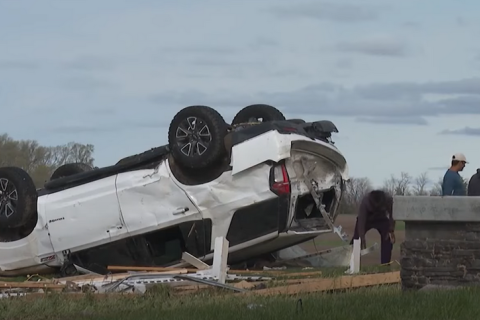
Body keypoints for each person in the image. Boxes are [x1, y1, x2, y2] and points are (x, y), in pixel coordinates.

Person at [350, 190, 395, 265]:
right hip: (367, 218)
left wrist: (391, 230)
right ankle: (351, 262)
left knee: (388, 239)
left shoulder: (388, 200)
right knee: (356, 239)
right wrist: (361, 236)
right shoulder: (365, 202)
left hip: (381, 218)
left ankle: (385, 264)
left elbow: (392, 215)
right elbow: (361, 220)